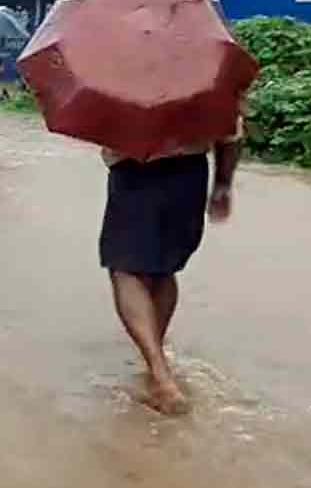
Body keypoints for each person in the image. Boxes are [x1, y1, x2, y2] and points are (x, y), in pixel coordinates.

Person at [100, 127, 242, 416]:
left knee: (124, 269)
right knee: (164, 269)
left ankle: (160, 376)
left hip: (134, 170)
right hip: (189, 174)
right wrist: (223, 185)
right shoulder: (204, 81)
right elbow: (231, 132)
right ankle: (155, 362)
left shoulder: (119, 80)